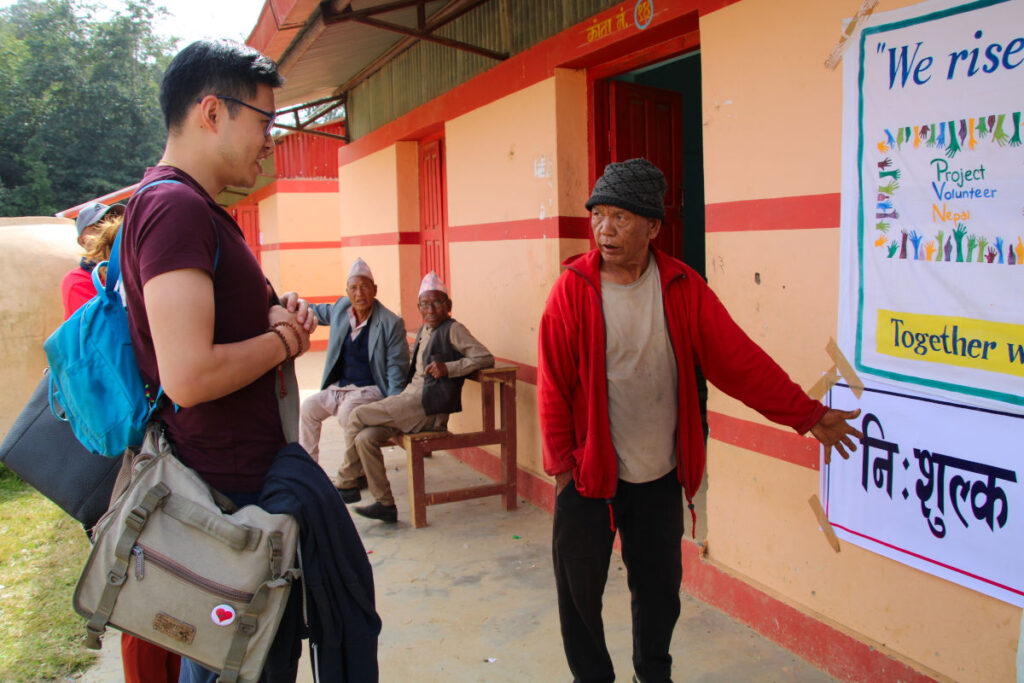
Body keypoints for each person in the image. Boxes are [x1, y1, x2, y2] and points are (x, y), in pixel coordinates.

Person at [537, 158, 863, 683]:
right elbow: (553, 386)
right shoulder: (572, 291)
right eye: (598, 216)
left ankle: (653, 673)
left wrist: (808, 415)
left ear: (652, 228)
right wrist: (562, 470)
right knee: (578, 593)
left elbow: (739, 361)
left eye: (620, 217)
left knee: (660, 591)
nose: (605, 229)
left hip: (660, 470)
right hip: (588, 470)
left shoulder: (683, 287)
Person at [118, 40, 317, 682]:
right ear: (212, 111)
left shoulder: (194, 208)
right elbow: (189, 374)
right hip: (222, 506)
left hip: (235, 492)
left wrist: (266, 314)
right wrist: (284, 342)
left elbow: (209, 330)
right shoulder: (175, 208)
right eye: (264, 122)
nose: (271, 141)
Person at [59, 206, 183, 682]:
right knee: (141, 583)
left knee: (159, 581)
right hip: (139, 454)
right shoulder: (102, 293)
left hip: (144, 451)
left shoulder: (125, 291)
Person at [344, 271, 494, 523]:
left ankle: (345, 481)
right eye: (424, 303)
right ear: (419, 307)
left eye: (436, 302)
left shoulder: (453, 329)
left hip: (426, 408)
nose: (431, 309)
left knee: (357, 414)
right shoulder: (425, 330)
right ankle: (385, 504)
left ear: (448, 306)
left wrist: (450, 367)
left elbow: (484, 357)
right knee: (365, 438)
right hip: (409, 403)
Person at [299, 258, 409, 500]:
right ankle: (310, 473)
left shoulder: (390, 323)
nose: (359, 293)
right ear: (347, 291)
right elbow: (315, 311)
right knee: (308, 409)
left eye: (365, 287)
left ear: (375, 290)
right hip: (340, 386)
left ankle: (354, 475)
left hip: (370, 388)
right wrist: (289, 303)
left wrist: (392, 409)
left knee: (350, 413)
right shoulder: (341, 309)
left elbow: (396, 371)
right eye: (354, 288)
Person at [61, 202, 125, 317]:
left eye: (115, 221)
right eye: (99, 226)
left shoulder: (130, 268)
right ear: (83, 241)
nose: (109, 229)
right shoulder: (78, 281)